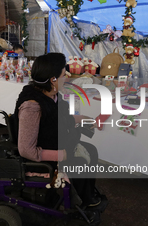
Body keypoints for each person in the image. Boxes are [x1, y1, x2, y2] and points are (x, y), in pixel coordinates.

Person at [13, 52, 101, 208]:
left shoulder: (52, 95)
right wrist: (63, 154)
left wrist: (85, 118)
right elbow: (26, 150)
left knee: (92, 150)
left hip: (57, 144)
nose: (66, 76)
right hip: (40, 158)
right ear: (53, 79)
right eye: (63, 74)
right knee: (79, 162)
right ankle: (79, 202)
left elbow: (62, 118)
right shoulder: (32, 106)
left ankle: (86, 195)